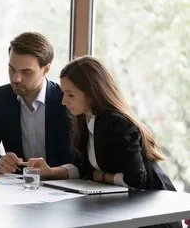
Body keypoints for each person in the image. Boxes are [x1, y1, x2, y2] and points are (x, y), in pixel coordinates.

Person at [28, 56, 180, 228]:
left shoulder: (117, 124)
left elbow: (136, 180)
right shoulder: (86, 120)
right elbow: (84, 167)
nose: (63, 101)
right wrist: (50, 172)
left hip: (155, 218)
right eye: (64, 94)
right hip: (127, 210)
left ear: (91, 95)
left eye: (70, 95)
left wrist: (101, 176)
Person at [0, 32, 73, 174]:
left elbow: (79, 160)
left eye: (26, 72)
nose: (16, 78)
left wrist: (52, 173)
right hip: (18, 187)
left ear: (46, 69)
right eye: (12, 69)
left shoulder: (65, 101)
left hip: (62, 186)